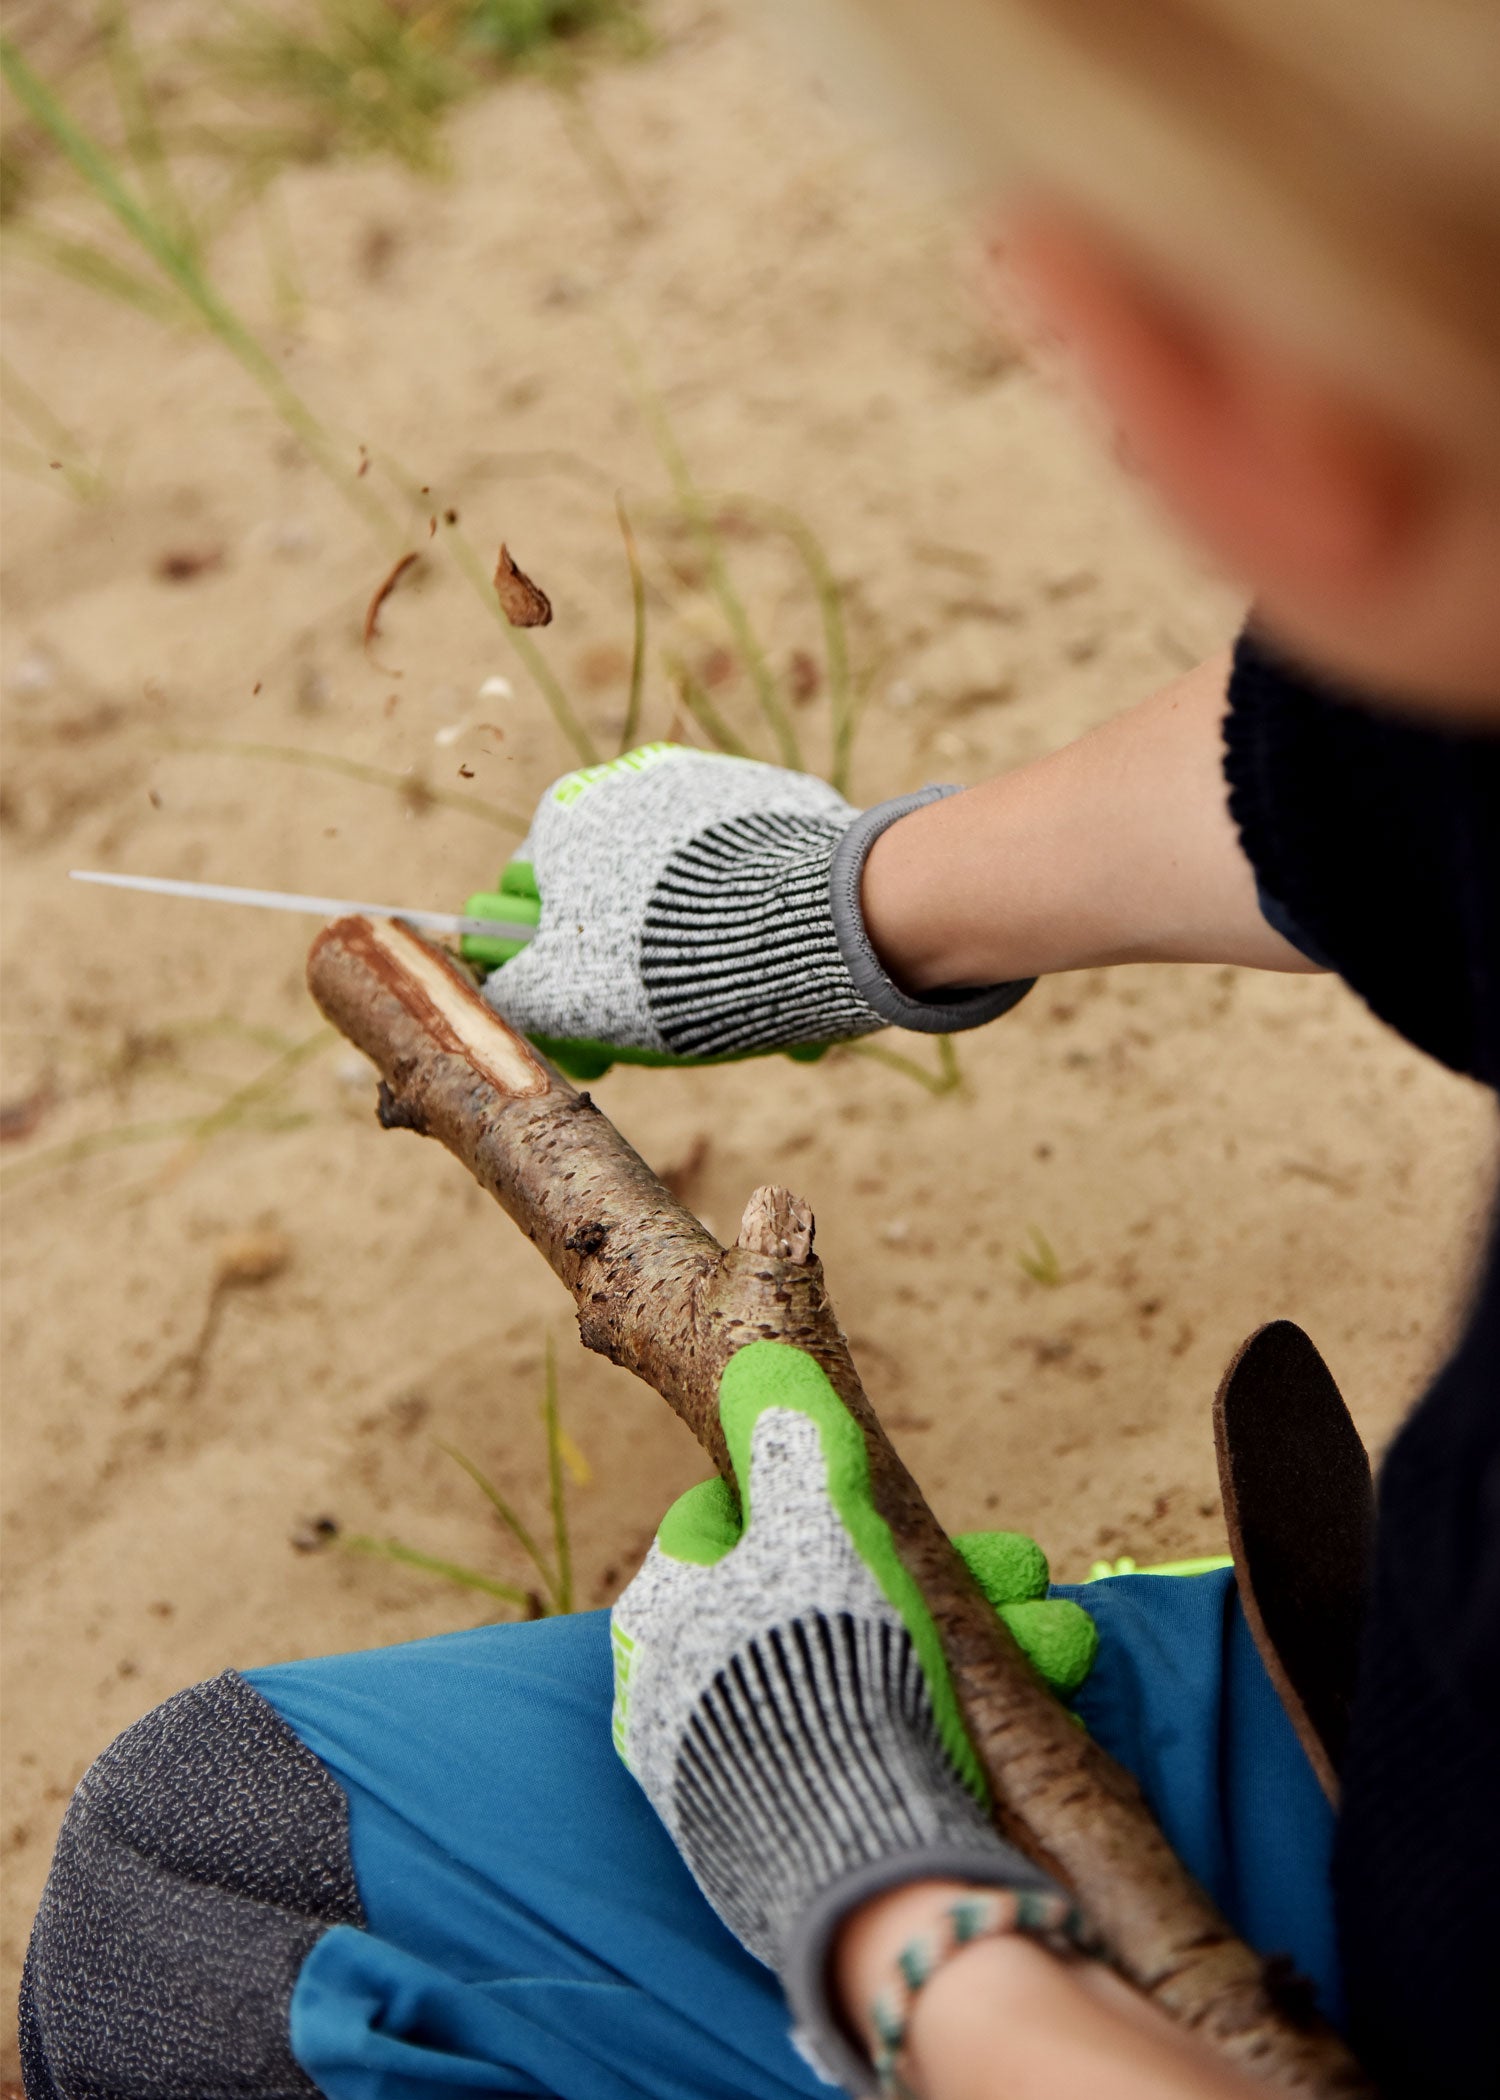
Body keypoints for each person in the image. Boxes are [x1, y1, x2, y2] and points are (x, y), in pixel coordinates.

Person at [20, 1, 1500, 2096]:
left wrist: (902, 1918)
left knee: (217, 1998)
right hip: (1436, 1738)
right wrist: (860, 897)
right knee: (238, 1852)